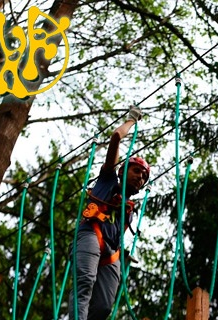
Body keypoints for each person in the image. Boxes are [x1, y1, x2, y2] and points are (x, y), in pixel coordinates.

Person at [69, 106, 150, 320]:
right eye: (136, 171)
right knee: (85, 282)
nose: (139, 177)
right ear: (124, 171)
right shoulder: (108, 180)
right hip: (90, 235)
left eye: (143, 177)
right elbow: (115, 138)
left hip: (111, 251)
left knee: (104, 306)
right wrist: (131, 120)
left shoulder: (129, 209)